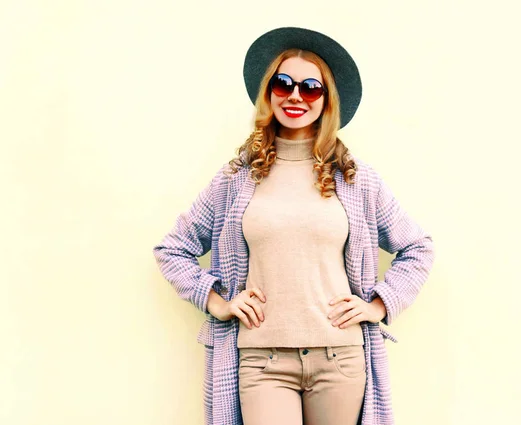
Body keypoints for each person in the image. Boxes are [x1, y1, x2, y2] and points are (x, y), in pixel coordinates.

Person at [153, 27, 435, 425]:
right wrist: (217, 302)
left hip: (340, 358)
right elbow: (173, 249)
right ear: (269, 93)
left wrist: (377, 305)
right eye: (283, 84)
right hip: (262, 361)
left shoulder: (354, 178)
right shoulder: (237, 178)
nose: (296, 96)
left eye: (311, 87)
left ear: (327, 100)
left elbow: (418, 248)